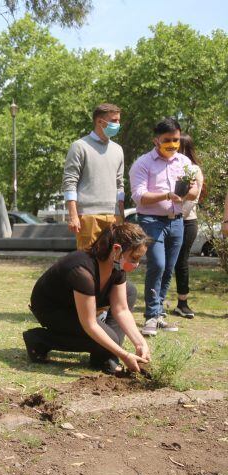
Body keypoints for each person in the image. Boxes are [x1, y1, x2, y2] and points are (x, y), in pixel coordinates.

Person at [23, 224, 151, 374]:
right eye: (134, 258)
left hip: (77, 305)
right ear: (116, 250)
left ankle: (103, 356)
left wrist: (140, 342)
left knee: (129, 291)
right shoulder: (82, 271)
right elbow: (90, 324)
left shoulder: (117, 266)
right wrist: (124, 354)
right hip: (53, 309)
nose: (137, 265)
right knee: (108, 339)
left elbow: (121, 309)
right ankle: (39, 339)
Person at [131, 118, 198, 336]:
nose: (172, 144)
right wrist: (167, 194)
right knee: (157, 265)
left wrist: (186, 191)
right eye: (167, 140)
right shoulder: (143, 163)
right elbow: (139, 196)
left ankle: (159, 314)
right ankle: (150, 316)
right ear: (156, 140)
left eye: (176, 140)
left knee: (169, 269)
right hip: (151, 221)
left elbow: (195, 191)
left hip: (177, 221)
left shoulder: (184, 163)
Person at [63, 103, 125, 250]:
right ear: (99, 121)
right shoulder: (79, 146)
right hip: (87, 216)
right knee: (87, 263)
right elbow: (69, 182)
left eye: (118, 120)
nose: (118, 124)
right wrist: (73, 215)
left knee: (111, 264)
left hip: (113, 217)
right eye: (114, 121)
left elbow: (120, 184)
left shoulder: (118, 150)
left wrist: (121, 216)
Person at [172, 135, 204, 319]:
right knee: (164, 262)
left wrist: (174, 214)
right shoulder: (170, 167)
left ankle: (182, 303)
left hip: (187, 221)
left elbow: (193, 198)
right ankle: (156, 303)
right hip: (168, 219)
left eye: (177, 144)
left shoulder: (193, 170)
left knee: (181, 261)